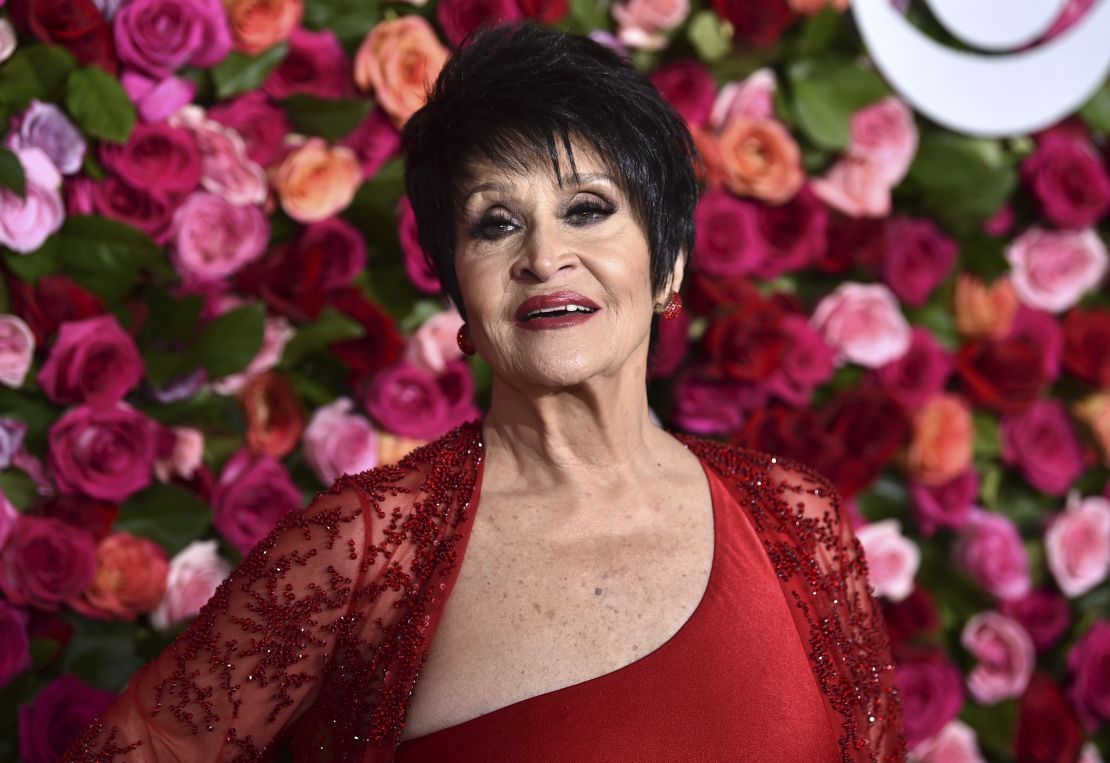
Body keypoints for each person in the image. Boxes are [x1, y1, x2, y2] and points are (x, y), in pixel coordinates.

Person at [63, 22, 908, 763]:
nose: (543, 255)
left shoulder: (795, 522)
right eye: (495, 223)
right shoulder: (363, 553)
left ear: (669, 263)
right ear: (460, 288)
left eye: (586, 209)